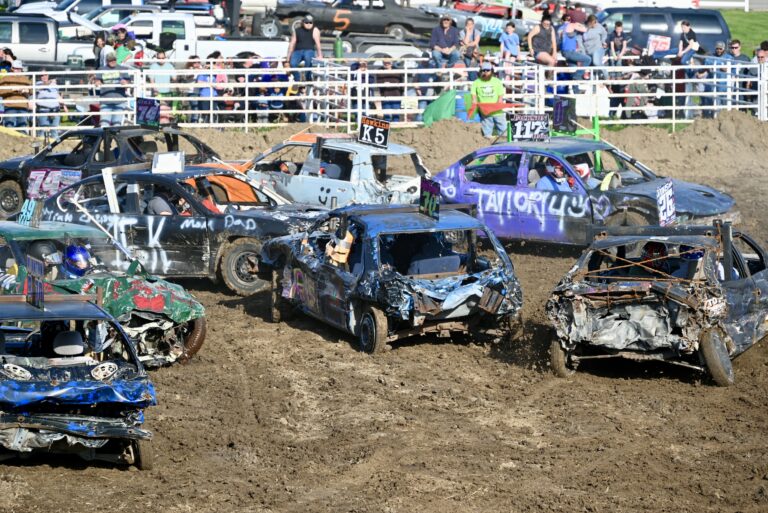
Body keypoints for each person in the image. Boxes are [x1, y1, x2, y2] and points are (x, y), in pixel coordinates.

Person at [470, 61, 506, 139]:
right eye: (484, 70)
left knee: (503, 129)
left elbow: (500, 95)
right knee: (487, 131)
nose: (485, 72)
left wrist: (498, 104)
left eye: (488, 70)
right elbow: (473, 95)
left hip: (496, 109)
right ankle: (488, 142)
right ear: (481, 71)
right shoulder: (476, 82)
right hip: (485, 109)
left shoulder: (497, 81)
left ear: (491, 71)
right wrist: (475, 103)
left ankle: (505, 142)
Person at [95, 52, 131, 127]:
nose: (113, 61)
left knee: (117, 125)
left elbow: (129, 83)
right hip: (105, 101)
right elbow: (97, 80)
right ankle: (106, 135)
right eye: (110, 60)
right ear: (107, 61)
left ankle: (115, 135)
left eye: (114, 59)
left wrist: (126, 83)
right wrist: (97, 82)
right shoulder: (101, 69)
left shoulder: (122, 69)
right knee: (104, 125)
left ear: (116, 59)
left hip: (119, 101)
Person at [286, 15, 322, 82]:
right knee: (293, 63)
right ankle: (298, 79)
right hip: (298, 50)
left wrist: (320, 55)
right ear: (303, 22)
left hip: (309, 50)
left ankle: (308, 79)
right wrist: (288, 59)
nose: (308, 24)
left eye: (310, 22)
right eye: (306, 22)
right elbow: (292, 44)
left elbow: (318, 43)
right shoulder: (297, 30)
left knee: (308, 61)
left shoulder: (315, 30)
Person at [0, 60, 31, 128]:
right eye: (16, 68)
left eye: (19, 69)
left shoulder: (25, 79)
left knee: (22, 126)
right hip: (10, 106)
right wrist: (12, 89)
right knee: (9, 126)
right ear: (12, 69)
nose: (18, 70)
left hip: (23, 106)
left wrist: (27, 90)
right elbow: (1, 91)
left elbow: (32, 91)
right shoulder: (6, 78)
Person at [35, 71, 65, 138]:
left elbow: (57, 94)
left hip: (55, 110)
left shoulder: (54, 85)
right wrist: (50, 81)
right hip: (43, 110)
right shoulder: (38, 84)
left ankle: (55, 144)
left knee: (54, 131)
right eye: (42, 75)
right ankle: (42, 144)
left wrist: (64, 105)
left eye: (45, 75)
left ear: (48, 76)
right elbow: (42, 86)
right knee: (42, 131)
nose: (44, 77)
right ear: (39, 77)